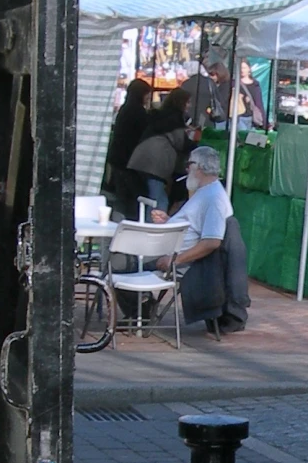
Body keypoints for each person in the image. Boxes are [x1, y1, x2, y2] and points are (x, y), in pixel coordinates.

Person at [148, 144, 249, 333]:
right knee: (122, 259)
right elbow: (194, 228)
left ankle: (142, 311)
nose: (186, 169)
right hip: (169, 249)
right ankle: (143, 309)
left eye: (190, 164)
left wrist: (174, 261)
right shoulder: (204, 192)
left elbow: (212, 241)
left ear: (200, 167)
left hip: (175, 258)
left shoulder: (214, 198)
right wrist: (170, 222)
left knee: (120, 263)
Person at [126, 85, 193, 210]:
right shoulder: (174, 118)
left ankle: (146, 224)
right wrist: (196, 143)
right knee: (158, 203)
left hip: (142, 159)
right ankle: (150, 228)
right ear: (180, 102)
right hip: (154, 164)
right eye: (187, 102)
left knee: (151, 199)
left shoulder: (161, 114)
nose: (189, 105)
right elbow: (181, 143)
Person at [104, 77, 153, 219]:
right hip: (130, 161)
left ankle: (120, 222)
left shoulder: (125, 109)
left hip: (119, 159)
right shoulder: (138, 112)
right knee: (133, 198)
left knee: (122, 196)